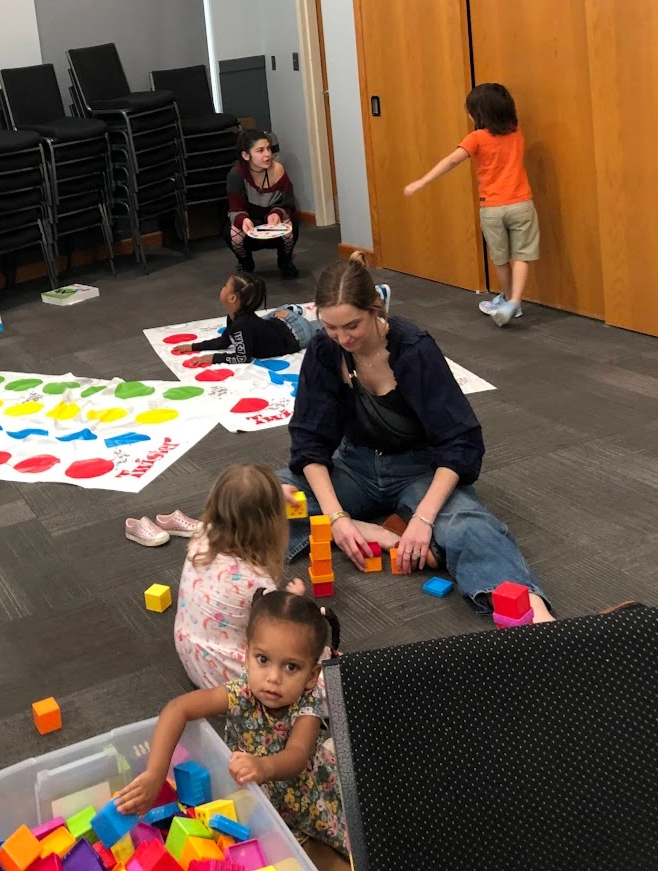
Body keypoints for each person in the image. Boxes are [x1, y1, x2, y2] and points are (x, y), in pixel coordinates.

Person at [277, 253, 553, 622]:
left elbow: (461, 443)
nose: (342, 338)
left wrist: (423, 519)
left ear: (375, 309)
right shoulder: (324, 351)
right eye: (330, 327)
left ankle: (535, 618)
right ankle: (375, 530)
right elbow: (309, 441)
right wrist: (339, 517)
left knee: (470, 524)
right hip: (355, 465)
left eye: (352, 326)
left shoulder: (414, 348)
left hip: (418, 470)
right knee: (266, 495)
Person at [120, 589, 349, 871]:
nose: (273, 678)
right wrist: (156, 773)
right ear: (246, 655)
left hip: (306, 800)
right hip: (252, 794)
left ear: (312, 676)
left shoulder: (307, 704)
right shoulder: (241, 692)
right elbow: (177, 709)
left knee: (337, 854)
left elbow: (297, 755)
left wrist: (264, 766)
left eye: (291, 667)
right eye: (263, 660)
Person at [174, 464, 397, 688]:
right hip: (228, 674)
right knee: (318, 675)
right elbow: (278, 632)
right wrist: (292, 600)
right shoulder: (255, 582)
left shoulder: (203, 535)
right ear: (270, 526)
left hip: (191, 649)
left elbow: (239, 509)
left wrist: (275, 495)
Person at [404, 82, 539, 327]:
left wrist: (422, 181)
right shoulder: (517, 133)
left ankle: (507, 298)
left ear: (478, 115)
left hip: (493, 208)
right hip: (522, 205)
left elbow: (451, 161)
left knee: (500, 257)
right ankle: (514, 302)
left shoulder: (477, 138)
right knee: (522, 255)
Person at [172, 273, 318, 366]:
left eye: (225, 286)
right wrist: (193, 347)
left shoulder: (242, 324)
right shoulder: (234, 318)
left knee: (323, 330)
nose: (221, 288)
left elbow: (242, 357)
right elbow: (225, 341)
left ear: (232, 298)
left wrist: (213, 358)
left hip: (297, 333)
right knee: (268, 319)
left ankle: (294, 312)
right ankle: (291, 310)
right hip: (280, 319)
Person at [225, 129, 300, 280]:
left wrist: (276, 213)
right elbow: (235, 209)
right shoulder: (236, 174)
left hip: (272, 224)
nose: (267, 154)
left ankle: (285, 261)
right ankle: (245, 264)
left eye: (268, 148)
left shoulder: (278, 169)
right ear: (246, 155)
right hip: (251, 223)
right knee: (232, 233)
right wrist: (243, 220)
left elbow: (287, 203)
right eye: (260, 150)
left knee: (291, 226)